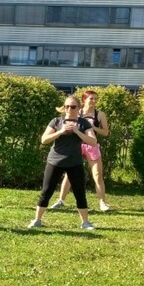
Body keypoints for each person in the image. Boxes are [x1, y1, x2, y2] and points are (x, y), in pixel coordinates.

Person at [28, 96, 99, 230]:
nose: (69, 109)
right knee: (46, 192)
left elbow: (93, 141)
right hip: (55, 161)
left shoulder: (83, 123)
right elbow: (44, 140)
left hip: (75, 162)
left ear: (79, 108)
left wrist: (77, 131)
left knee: (79, 192)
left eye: (73, 107)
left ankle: (85, 222)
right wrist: (60, 131)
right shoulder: (56, 121)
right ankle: (37, 220)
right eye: (67, 106)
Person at [50, 90, 112, 213]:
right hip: (76, 146)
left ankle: (102, 202)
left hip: (91, 146)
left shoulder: (99, 114)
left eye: (96, 99)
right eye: (91, 99)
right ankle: (60, 200)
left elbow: (105, 132)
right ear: (84, 100)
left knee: (98, 175)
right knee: (69, 174)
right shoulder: (77, 111)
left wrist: (93, 127)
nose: (94, 101)